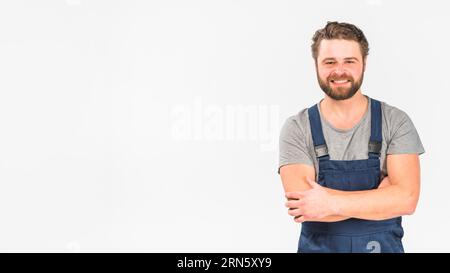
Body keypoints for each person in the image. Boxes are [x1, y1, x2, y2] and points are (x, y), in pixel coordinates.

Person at [278, 21, 425, 253]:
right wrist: (381, 199)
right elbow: (305, 207)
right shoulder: (297, 127)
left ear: (364, 64)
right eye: (330, 62)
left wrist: (328, 201)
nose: (339, 71)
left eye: (349, 61)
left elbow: (406, 200)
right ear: (316, 64)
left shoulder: (395, 121)